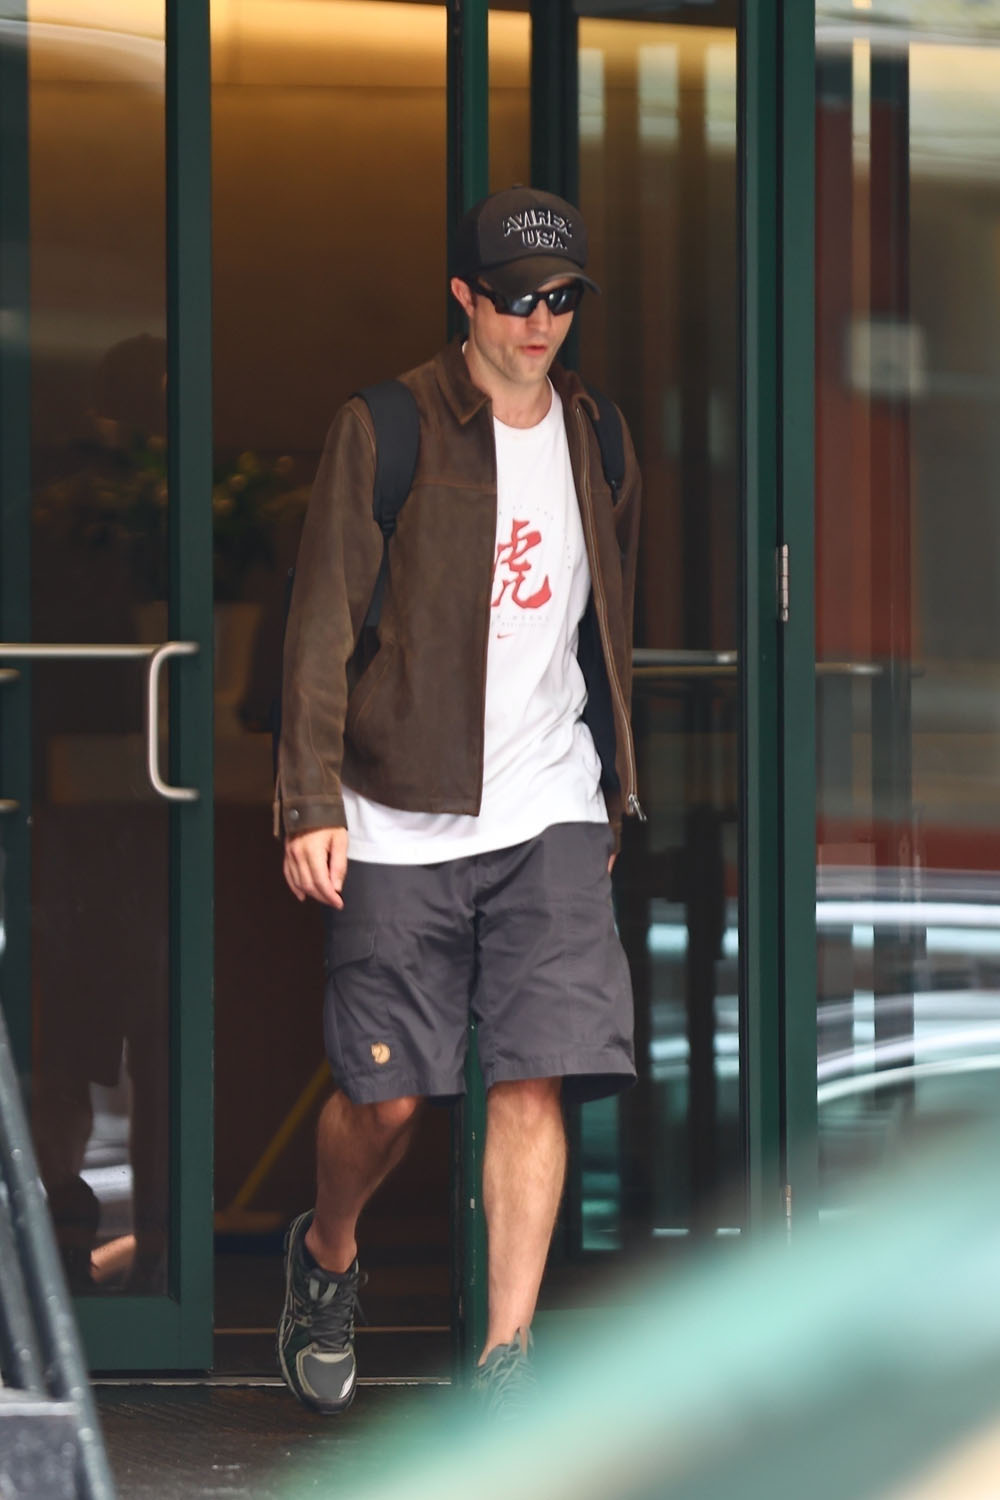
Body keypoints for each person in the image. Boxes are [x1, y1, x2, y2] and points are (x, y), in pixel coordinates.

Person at [273, 186, 643, 1417]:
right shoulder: (386, 428)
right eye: (517, 299)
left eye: (561, 300)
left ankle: (505, 1357)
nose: (540, 324)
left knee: (533, 1075)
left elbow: (606, 627)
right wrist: (308, 800)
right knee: (385, 1097)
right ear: (464, 298)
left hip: (548, 806)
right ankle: (328, 1254)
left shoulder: (598, 437)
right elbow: (321, 624)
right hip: (396, 810)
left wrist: (612, 792)